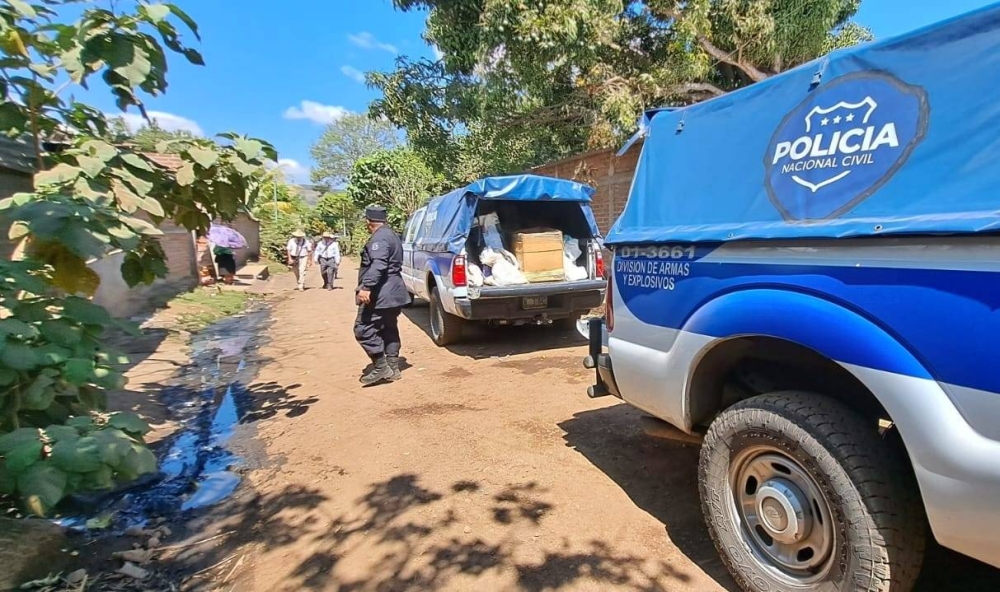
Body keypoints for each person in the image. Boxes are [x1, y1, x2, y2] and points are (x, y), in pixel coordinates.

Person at [354, 205, 409, 385]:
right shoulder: (392, 235)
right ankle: (393, 368)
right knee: (389, 327)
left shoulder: (380, 238)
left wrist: (367, 287)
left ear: (368, 222)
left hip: (381, 293)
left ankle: (381, 367)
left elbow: (379, 264)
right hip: (394, 291)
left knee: (363, 329)